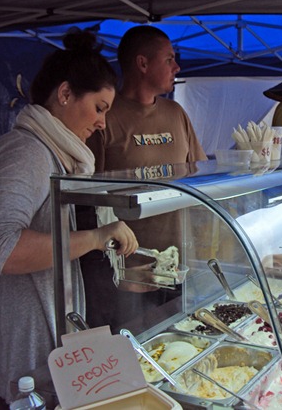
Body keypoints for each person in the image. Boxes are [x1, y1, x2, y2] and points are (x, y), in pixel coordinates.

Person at [0, 29, 138, 406]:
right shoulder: (27, 153)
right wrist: (98, 237)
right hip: (28, 349)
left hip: (60, 342)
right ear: (65, 94)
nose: (103, 122)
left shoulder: (60, 156)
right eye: (100, 108)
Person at [82, 25, 207, 329]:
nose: (176, 67)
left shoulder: (176, 113)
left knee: (180, 344)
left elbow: (201, 176)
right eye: (169, 59)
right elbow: (84, 197)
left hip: (178, 265)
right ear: (142, 63)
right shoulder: (105, 117)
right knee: (133, 350)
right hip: (128, 272)